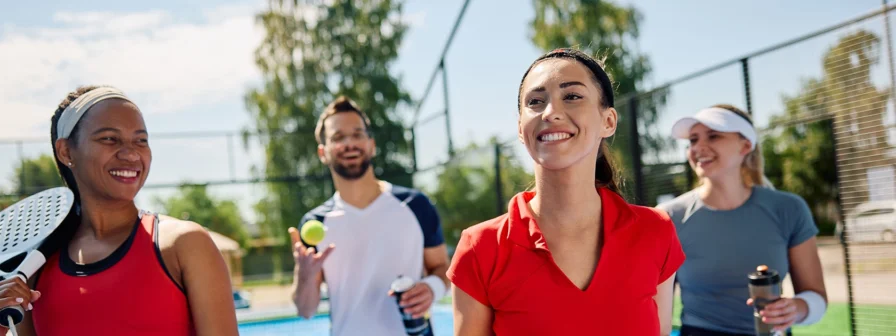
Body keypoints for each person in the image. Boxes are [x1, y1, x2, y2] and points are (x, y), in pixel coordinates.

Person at [446, 48, 685, 336]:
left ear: (608, 121)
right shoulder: (480, 248)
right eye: (535, 101)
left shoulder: (655, 231)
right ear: (521, 130)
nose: (551, 112)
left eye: (571, 96)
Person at [0, 85, 240, 336]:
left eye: (141, 140)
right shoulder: (35, 269)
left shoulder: (184, 245)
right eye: (109, 139)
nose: (131, 154)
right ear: (66, 151)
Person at [657, 104, 828, 336]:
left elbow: (815, 295)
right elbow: (652, 307)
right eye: (693, 140)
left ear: (745, 145)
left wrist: (796, 309)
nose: (698, 147)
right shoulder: (668, 217)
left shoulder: (789, 208)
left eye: (714, 136)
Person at [289, 96, 451, 336]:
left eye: (357, 134)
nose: (349, 143)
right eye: (338, 137)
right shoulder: (315, 223)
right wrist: (305, 277)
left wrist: (431, 288)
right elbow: (305, 309)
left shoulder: (416, 205)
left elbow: (442, 270)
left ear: (371, 144)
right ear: (323, 153)